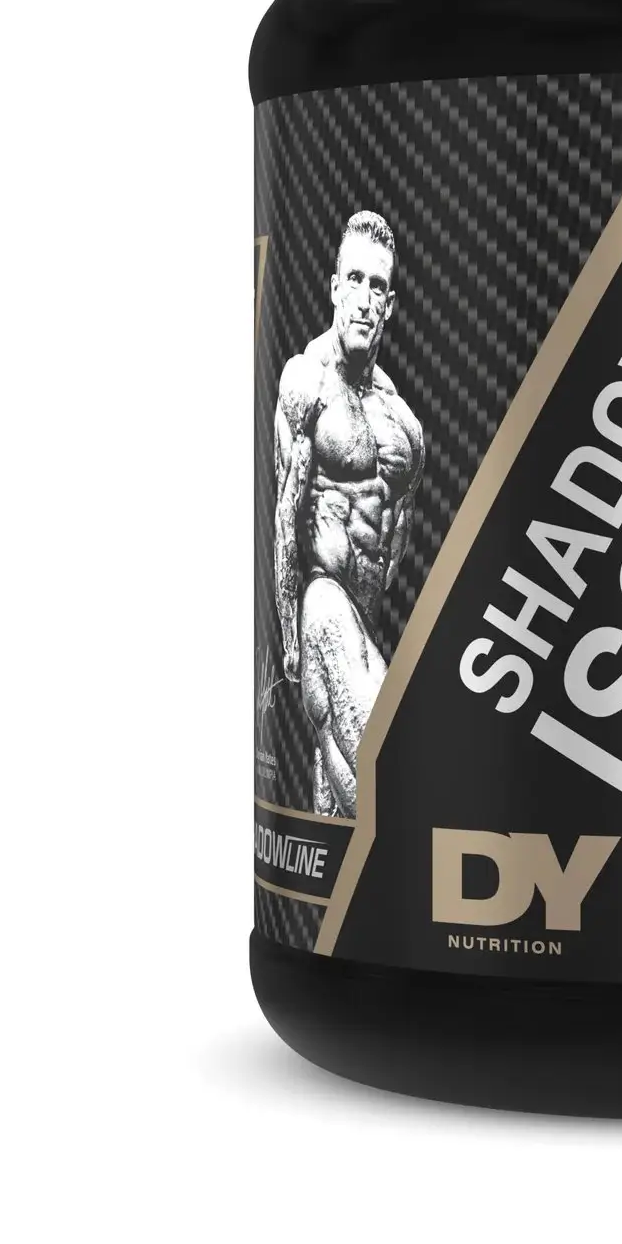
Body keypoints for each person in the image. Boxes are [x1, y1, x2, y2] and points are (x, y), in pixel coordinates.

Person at [273, 212, 425, 816]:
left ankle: (335, 879)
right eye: (354, 280)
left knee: (337, 803)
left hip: (364, 621)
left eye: (377, 286)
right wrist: (291, 639)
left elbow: (396, 539)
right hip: (322, 602)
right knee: (386, 773)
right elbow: (287, 515)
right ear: (335, 288)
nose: (364, 299)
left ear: (389, 304)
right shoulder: (306, 384)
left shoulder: (403, 423)